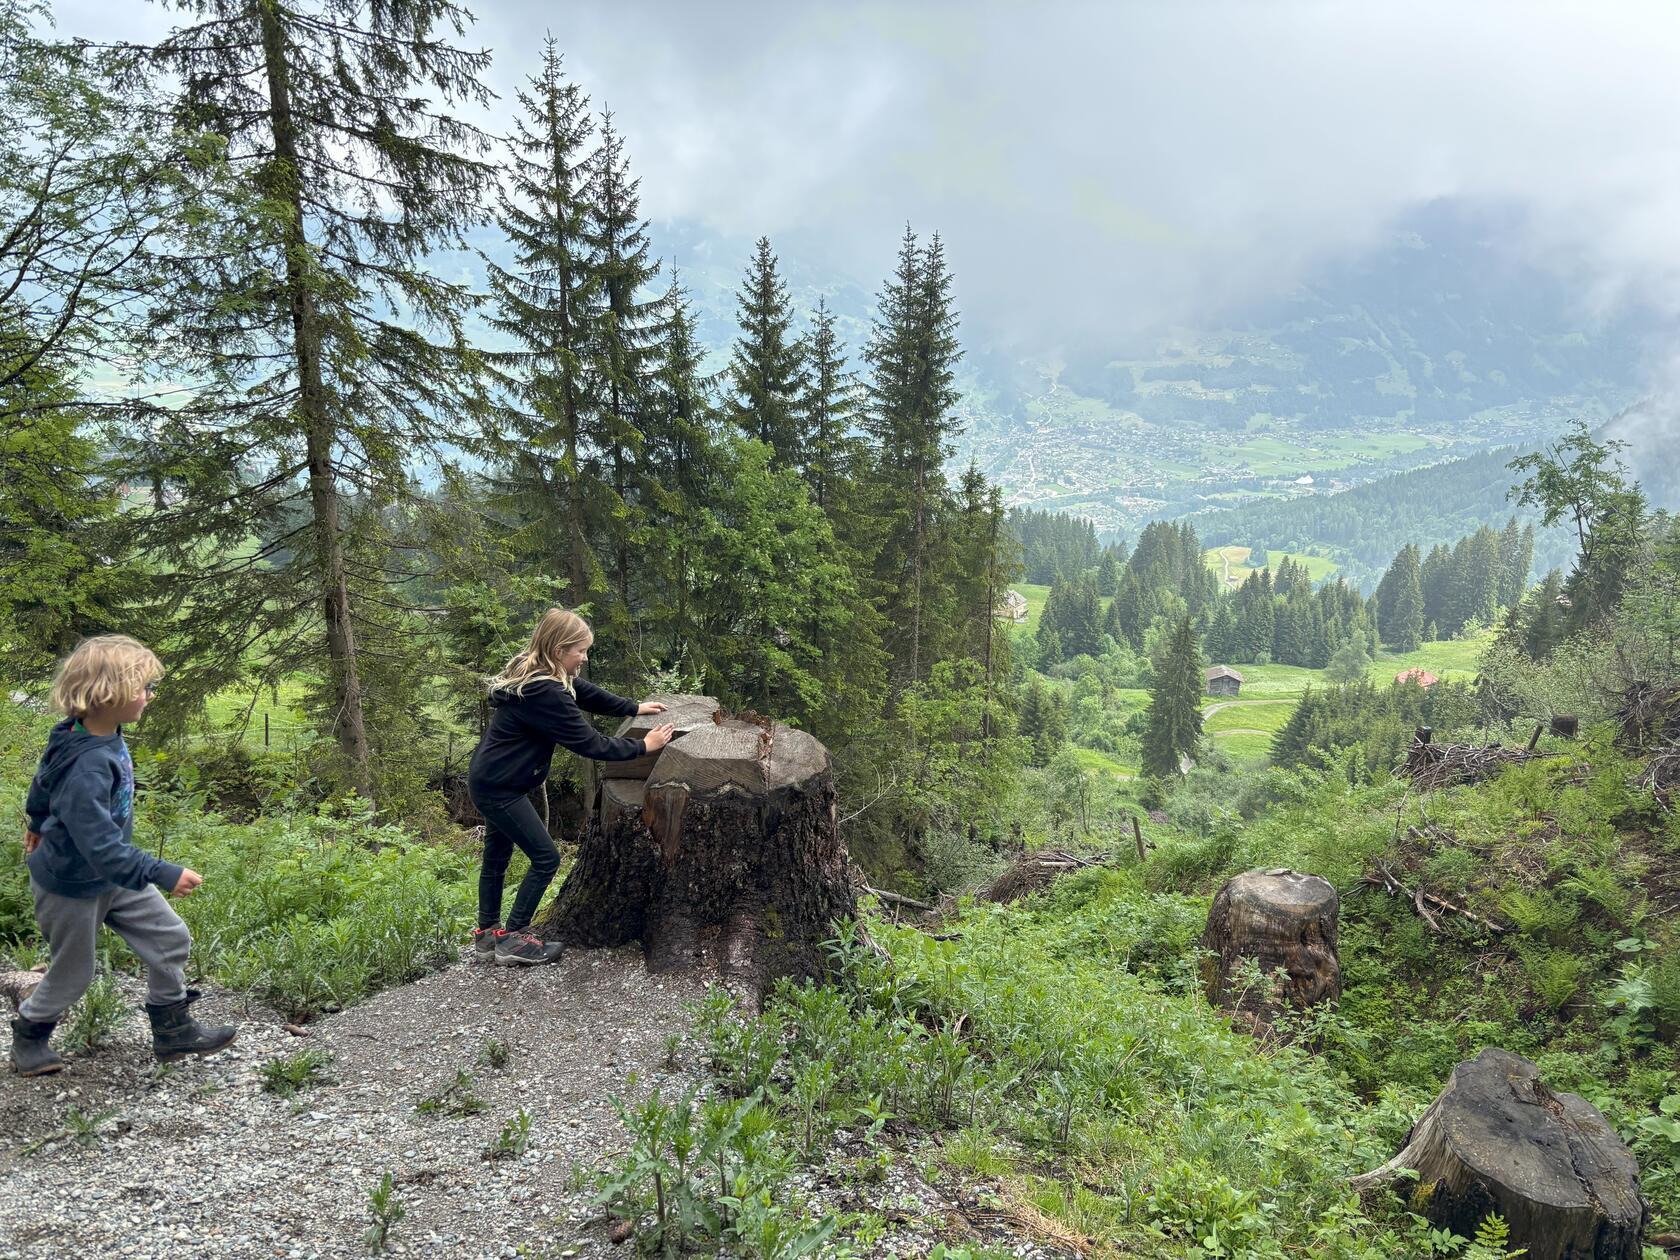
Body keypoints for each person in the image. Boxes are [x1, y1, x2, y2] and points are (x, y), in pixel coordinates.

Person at [13, 636, 236, 1077]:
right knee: (74, 973)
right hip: (71, 885)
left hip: (110, 876)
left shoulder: (86, 732)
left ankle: (173, 1029)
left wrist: (37, 821)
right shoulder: (87, 764)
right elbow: (98, 844)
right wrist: (161, 872)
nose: (150, 696)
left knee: (169, 937)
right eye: (143, 688)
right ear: (106, 694)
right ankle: (30, 1035)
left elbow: (42, 780)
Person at [466, 609, 675, 966]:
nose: (585, 657)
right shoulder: (545, 691)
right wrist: (644, 746)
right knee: (547, 858)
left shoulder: (535, 673)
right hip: (501, 788)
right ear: (560, 649)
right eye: (581, 650)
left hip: (492, 780)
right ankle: (513, 939)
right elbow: (590, 744)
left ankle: (488, 936)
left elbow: (584, 692)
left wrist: (632, 706)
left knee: (496, 859)